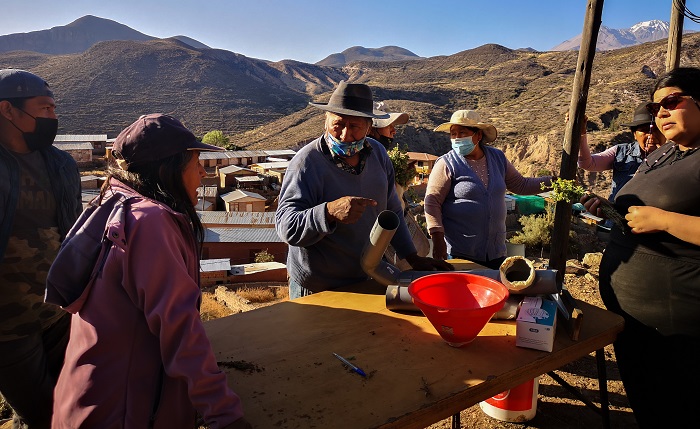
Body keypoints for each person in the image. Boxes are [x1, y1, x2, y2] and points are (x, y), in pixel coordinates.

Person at [46, 114, 251, 429]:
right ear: (168, 168)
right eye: (195, 161)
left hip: (89, 397)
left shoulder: (116, 200)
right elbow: (179, 329)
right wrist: (224, 413)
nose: (201, 171)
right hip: (124, 411)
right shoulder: (149, 222)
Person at [584, 67, 700, 428]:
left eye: (670, 102)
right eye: (655, 109)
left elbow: (661, 217)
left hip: (680, 327)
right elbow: (641, 210)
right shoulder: (667, 154)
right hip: (634, 320)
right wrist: (610, 209)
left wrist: (665, 221)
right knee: (650, 407)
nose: (661, 113)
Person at [275, 81, 452, 299]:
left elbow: (392, 211)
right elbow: (286, 227)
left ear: (369, 126)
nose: (344, 135)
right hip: (318, 287)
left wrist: (412, 257)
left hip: (366, 278)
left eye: (355, 127)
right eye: (337, 124)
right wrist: (328, 212)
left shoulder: (377, 154)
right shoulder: (306, 163)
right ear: (326, 120)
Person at [0, 69, 81, 429]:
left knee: (71, 402)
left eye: (54, 109)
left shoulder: (60, 164)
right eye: (44, 108)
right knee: (41, 415)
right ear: (8, 110)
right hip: (8, 328)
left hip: (59, 313)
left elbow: (74, 230)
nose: (53, 117)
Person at [424, 110, 554, 269]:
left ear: (478, 136)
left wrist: (554, 182)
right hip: (461, 252)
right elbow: (432, 202)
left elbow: (521, 184)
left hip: (495, 252)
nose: (457, 138)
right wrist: (437, 239)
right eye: (453, 134)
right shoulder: (446, 164)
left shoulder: (497, 158)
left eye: (462, 133)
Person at [577, 102, 665, 200]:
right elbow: (588, 163)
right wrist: (581, 135)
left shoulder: (674, 156)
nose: (651, 136)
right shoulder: (621, 152)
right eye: (644, 130)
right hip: (618, 213)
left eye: (656, 130)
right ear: (634, 134)